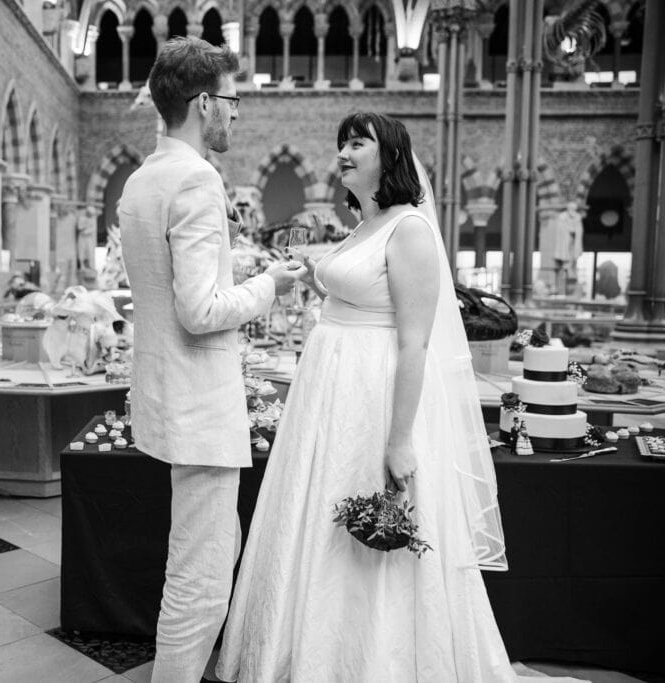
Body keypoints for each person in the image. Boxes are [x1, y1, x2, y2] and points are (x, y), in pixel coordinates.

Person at [216, 113, 586, 682]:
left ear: (389, 157)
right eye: (341, 140)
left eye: (357, 141)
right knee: (315, 522)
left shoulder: (410, 229)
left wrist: (398, 440)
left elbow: (414, 343)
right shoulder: (366, 224)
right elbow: (357, 296)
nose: (343, 149)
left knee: (368, 531)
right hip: (328, 396)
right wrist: (314, 275)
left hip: (372, 397)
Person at [117, 36, 306, 683]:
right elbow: (199, 310)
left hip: (169, 399)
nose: (237, 113)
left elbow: (169, 292)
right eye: (232, 99)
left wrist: (244, 272)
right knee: (199, 578)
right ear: (204, 103)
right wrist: (269, 287)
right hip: (199, 408)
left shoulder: (144, 178)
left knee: (206, 557)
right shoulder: (197, 178)